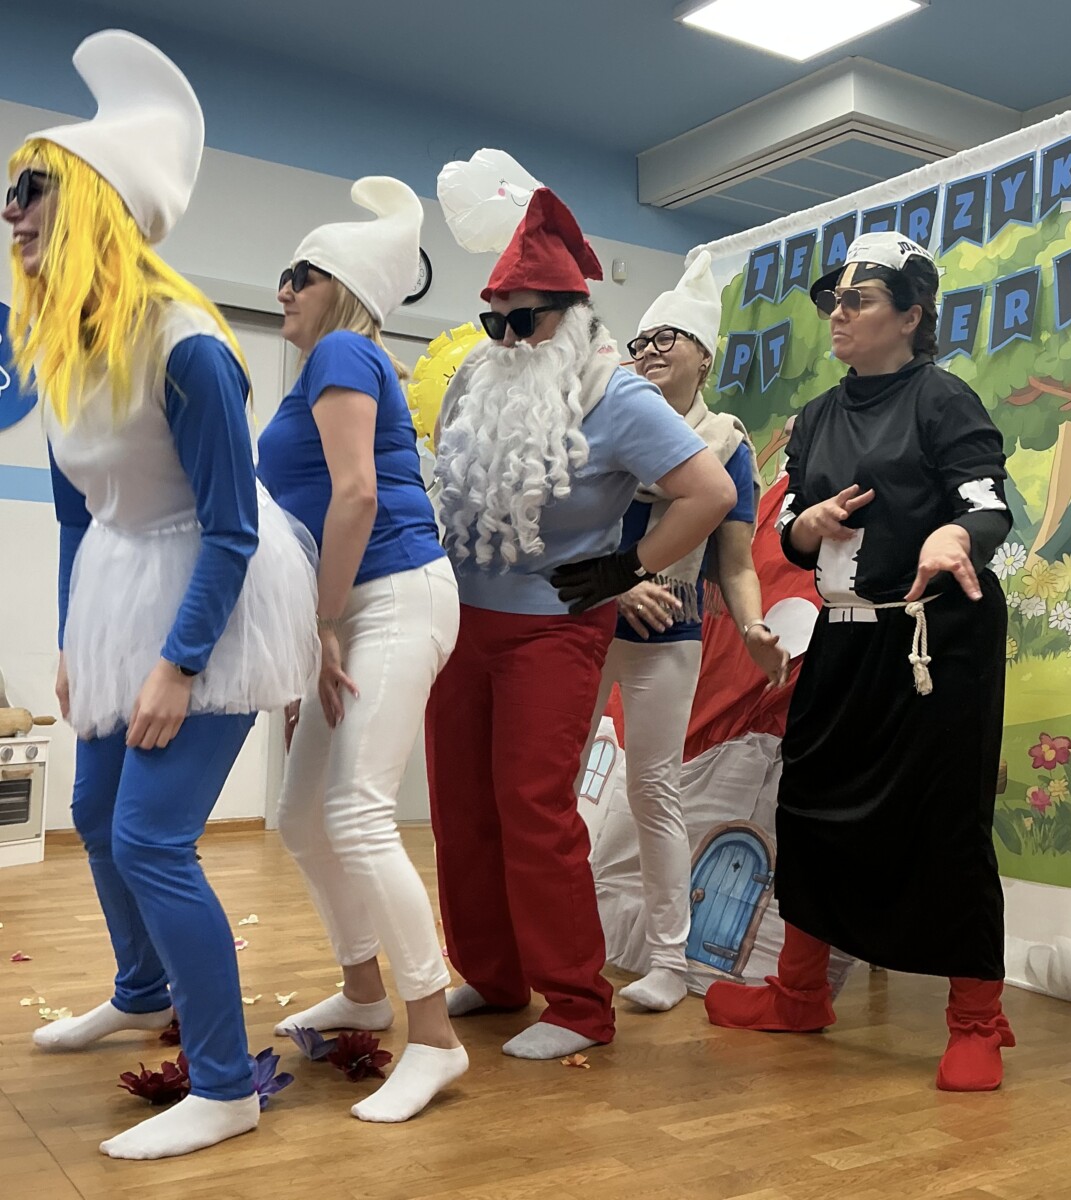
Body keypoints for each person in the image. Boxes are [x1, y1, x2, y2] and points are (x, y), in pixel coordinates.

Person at [4, 31, 318, 1158]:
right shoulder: (59, 345)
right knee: (94, 815)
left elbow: (232, 528)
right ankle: (142, 990)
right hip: (118, 584)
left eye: (31, 190)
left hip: (214, 595)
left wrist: (178, 665)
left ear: (95, 203)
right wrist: (74, 641)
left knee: (149, 839)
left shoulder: (189, 349)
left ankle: (226, 1085)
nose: (10, 213)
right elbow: (76, 514)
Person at [426, 187, 737, 1060]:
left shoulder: (616, 395)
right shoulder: (476, 380)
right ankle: (493, 975)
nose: (507, 340)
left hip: (552, 631)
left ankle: (576, 1003)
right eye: (493, 321)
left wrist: (622, 568)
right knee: (460, 806)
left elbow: (709, 492)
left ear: (569, 316)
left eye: (524, 321)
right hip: (462, 623)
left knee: (533, 808)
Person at [705, 232, 1016, 1092]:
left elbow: (987, 502)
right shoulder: (816, 416)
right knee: (810, 807)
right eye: (831, 301)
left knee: (945, 823)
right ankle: (799, 992)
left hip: (934, 638)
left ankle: (976, 1022)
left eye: (859, 299)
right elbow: (792, 525)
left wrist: (956, 535)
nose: (837, 314)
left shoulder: (944, 399)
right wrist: (806, 527)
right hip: (841, 634)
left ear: (912, 315)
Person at [256, 177, 467, 1124]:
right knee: (302, 815)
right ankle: (363, 991)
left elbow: (356, 496)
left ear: (338, 286)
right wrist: (312, 626)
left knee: (356, 814)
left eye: (298, 274)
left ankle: (437, 1038)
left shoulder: (344, 349)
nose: (283, 288)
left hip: (391, 597)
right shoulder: (325, 363)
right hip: (350, 604)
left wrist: (322, 623)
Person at [580, 251, 789, 1013]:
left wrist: (755, 625)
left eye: (668, 338)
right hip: (586, 619)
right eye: (641, 340)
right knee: (552, 782)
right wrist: (618, 583)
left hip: (670, 629)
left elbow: (734, 562)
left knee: (654, 789)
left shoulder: (726, 445)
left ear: (705, 356)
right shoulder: (605, 419)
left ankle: (668, 960)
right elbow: (570, 529)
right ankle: (557, 942)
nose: (649, 350)